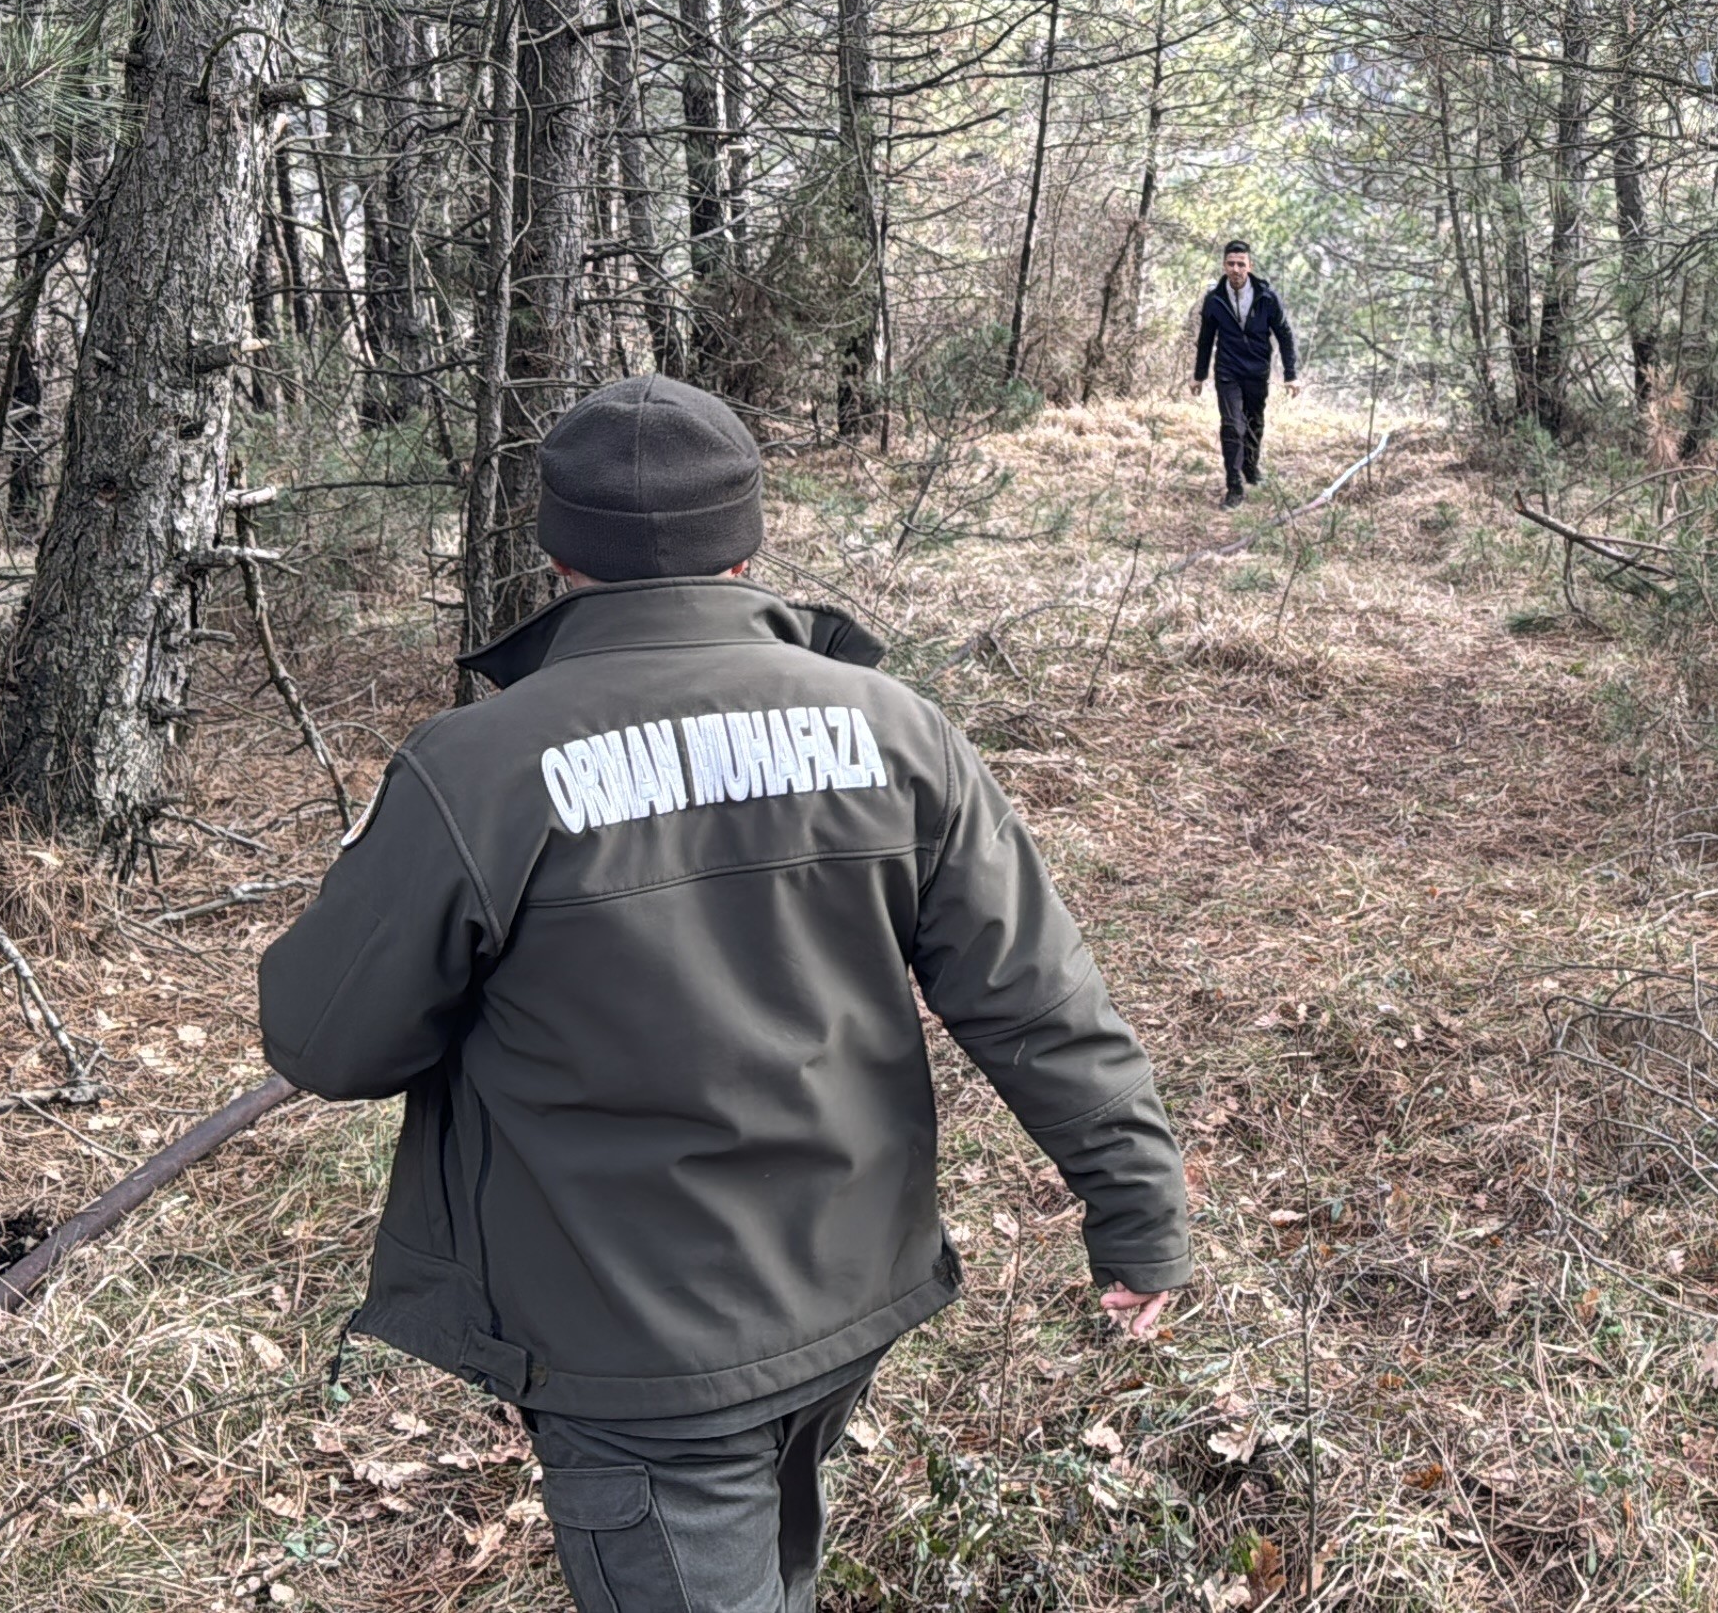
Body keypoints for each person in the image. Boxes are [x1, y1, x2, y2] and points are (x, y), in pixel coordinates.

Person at [259, 374, 1191, 1613]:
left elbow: (325, 1041)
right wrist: (1136, 1210)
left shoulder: (479, 765)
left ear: (555, 550)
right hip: (844, 1288)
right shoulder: (893, 730)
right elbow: (1036, 998)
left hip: (631, 1337)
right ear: (748, 538)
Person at [1188, 239, 1299, 507]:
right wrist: (1199, 374)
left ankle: (1250, 467)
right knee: (1231, 426)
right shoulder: (1214, 299)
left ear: (1250, 266)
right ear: (1224, 265)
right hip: (1228, 370)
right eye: (1230, 264)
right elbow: (1205, 339)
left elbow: (1284, 335)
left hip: (1257, 369)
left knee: (1253, 423)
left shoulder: (1266, 297)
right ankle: (1234, 486)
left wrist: (1290, 374)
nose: (1235, 269)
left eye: (1241, 264)